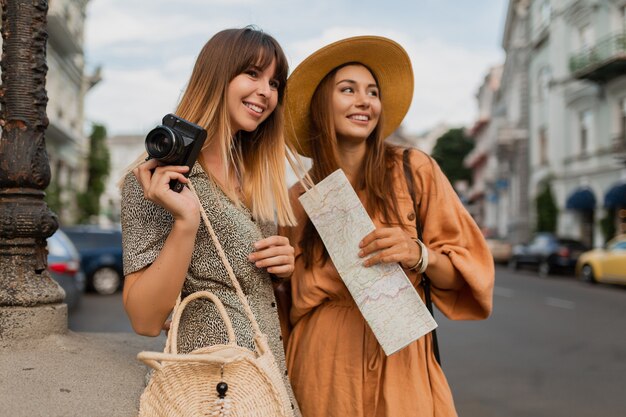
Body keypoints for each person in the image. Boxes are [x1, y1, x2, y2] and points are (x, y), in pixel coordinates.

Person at [278, 36, 495, 417]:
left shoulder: (414, 170)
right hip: (322, 363)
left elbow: (468, 273)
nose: (365, 101)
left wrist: (419, 255)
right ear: (321, 105)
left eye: (373, 92)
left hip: (402, 356)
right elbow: (279, 302)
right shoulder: (297, 197)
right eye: (348, 90)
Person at [120, 27, 301, 415]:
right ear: (217, 75)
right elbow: (144, 319)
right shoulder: (157, 176)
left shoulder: (252, 180)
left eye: (274, 82)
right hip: (213, 391)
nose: (267, 92)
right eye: (252, 74)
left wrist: (282, 269)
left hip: (266, 384)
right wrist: (186, 224)